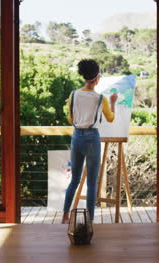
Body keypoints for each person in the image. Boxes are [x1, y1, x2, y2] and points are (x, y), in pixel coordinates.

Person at [62, 59, 118, 224]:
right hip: (92, 139)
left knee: (75, 179)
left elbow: (70, 118)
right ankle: (90, 220)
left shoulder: (74, 94)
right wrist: (113, 103)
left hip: (77, 136)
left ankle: (65, 216)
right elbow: (110, 118)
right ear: (97, 77)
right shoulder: (101, 98)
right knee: (92, 183)